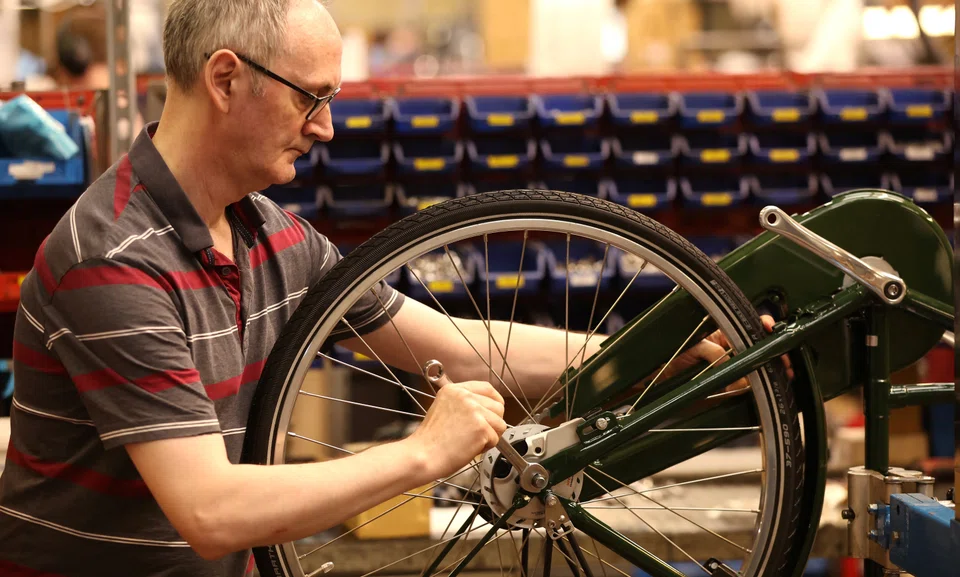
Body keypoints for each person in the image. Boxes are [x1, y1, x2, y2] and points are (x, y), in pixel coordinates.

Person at [0, 1, 783, 575]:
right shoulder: (112, 258)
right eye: (313, 96)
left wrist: (650, 357)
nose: (326, 127)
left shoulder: (272, 234)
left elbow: (453, 344)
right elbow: (210, 512)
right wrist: (421, 454)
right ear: (228, 79)